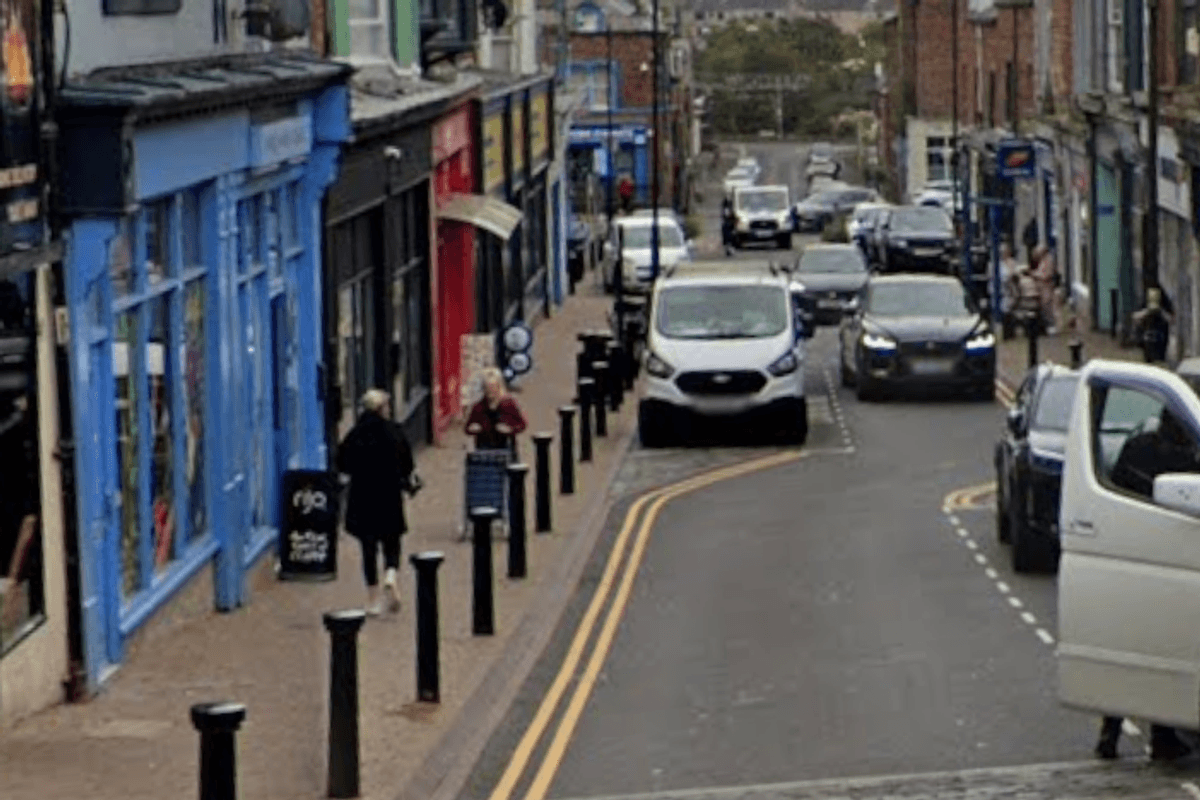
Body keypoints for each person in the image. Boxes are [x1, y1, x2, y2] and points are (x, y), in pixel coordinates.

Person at [1095, 407, 1200, 761]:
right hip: (1152, 557)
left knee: (1144, 649)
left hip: (1143, 555)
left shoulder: (1142, 447)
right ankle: (1152, 734)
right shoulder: (1163, 453)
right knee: (1153, 647)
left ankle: (1133, 733)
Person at [336, 389, 417, 616]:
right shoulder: (394, 432)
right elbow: (408, 463)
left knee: (368, 548)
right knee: (392, 541)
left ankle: (372, 599)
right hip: (389, 495)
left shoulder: (355, 434)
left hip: (363, 497)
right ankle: (391, 573)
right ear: (382, 409)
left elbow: (342, 462)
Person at [466, 368, 528, 456]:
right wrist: (473, 428)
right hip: (483, 449)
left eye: (493, 388)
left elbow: (522, 425)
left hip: (506, 448)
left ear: (499, 387)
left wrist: (510, 429)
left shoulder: (509, 404)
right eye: (487, 388)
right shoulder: (479, 407)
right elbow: (467, 428)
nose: (490, 392)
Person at [1133, 287, 1173, 364]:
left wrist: (1161, 311)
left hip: (1160, 343)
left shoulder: (1163, 309)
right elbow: (1135, 316)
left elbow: (1171, 318)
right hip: (1147, 343)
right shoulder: (1143, 304)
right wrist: (1147, 312)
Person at [1030, 244, 1059, 334]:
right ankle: (1046, 326)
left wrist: (1034, 275)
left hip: (1046, 287)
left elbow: (1046, 275)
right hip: (1042, 287)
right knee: (1044, 306)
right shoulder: (1043, 261)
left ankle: (1051, 326)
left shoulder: (1048, 261)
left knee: (1047, 306)